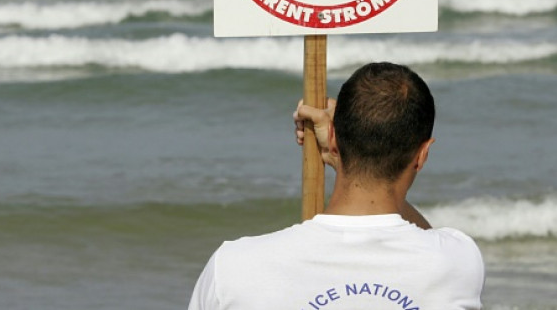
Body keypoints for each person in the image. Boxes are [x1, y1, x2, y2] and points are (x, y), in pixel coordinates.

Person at [188, 62, 484, 310]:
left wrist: (337, 155)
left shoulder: (234, 269)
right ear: (423, 154)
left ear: (333, 137)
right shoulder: (458, 261)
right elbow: (424, 239)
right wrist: (337, 156)